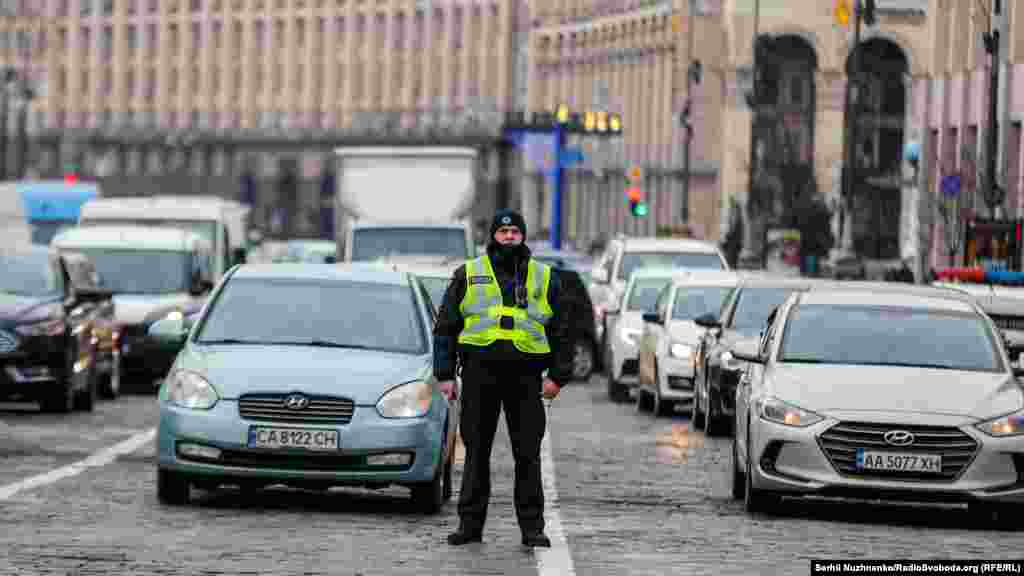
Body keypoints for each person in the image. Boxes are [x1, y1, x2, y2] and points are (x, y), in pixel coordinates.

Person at [433, 209, 574, 548]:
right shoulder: (468, 274)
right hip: (480, 374)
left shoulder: (545, 277)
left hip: (525, 378)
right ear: (493, 236)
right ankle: (469, 526)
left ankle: (532, 529)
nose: (509, 237)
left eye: (515, 232)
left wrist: (558, 377)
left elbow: (563, 331)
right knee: (476, 453)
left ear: (523, 236)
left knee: (528, 454)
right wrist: (444, 375)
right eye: (503, 232)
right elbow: (446, 327)